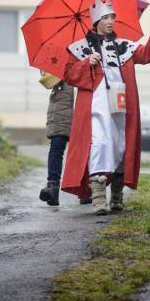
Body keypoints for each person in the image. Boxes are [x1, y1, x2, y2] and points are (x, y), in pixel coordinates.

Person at [61, 0, 150, 215]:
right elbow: (69, 75)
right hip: (95, 105)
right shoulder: (80, 48)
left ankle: (117, 196)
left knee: (120, 146)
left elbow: (147, 54)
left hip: (121, 102)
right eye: (106, 17)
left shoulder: (123, 46)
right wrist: (85, 63)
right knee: (99, 143)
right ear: (96, 21)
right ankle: (99, 198)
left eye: (113, 17)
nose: (111, 21)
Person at [37, 72, 92, 206]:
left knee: (84, 149)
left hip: (85, 102)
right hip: (61, 107)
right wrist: (55, 72)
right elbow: (47, 81)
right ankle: (53, 188)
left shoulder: (88, 53)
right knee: (57, 147)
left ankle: (85, 190)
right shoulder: (57, 56)